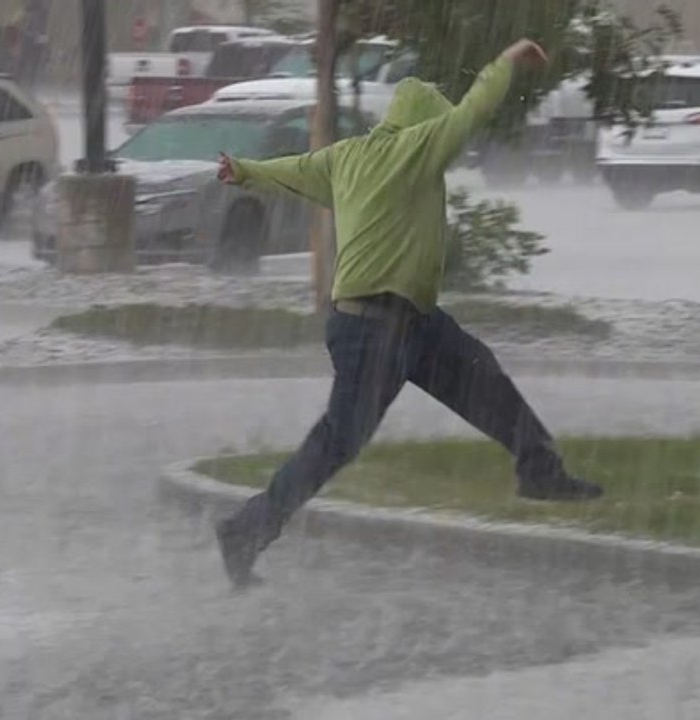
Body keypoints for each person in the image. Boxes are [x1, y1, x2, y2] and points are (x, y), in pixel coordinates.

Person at [212, 39, 604, 589]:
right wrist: (507, 60)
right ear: (423, 123)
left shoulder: (345, 158)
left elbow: (293, 170)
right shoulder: (416, 149)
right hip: (372, 330)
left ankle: (541, 471)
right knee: (336, 442)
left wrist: (244, 169)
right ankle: (245, 530)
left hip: (412, 322)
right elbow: (472, 111)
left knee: (484, 380)